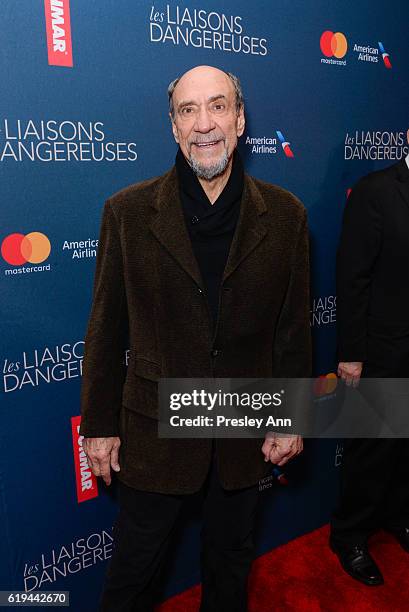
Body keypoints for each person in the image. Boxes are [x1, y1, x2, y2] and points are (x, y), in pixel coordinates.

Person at [80, 65, 311, 611]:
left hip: (241, 430)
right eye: (188, 110)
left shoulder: (285, 216)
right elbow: (106, 329)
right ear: (173, 126)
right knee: (132, 577)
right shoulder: (128, 213)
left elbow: (292, 332)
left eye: (217, 106)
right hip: (155, 432)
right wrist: (99, 425)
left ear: (240, 118)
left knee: (229, 569)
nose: (204, 124)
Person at [330, 132, 409, 586]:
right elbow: (352, 275)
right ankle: (350, 536)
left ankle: (398, 516)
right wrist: (352, 354)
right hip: (382, 350)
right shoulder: (375, 191)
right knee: (372, 448)